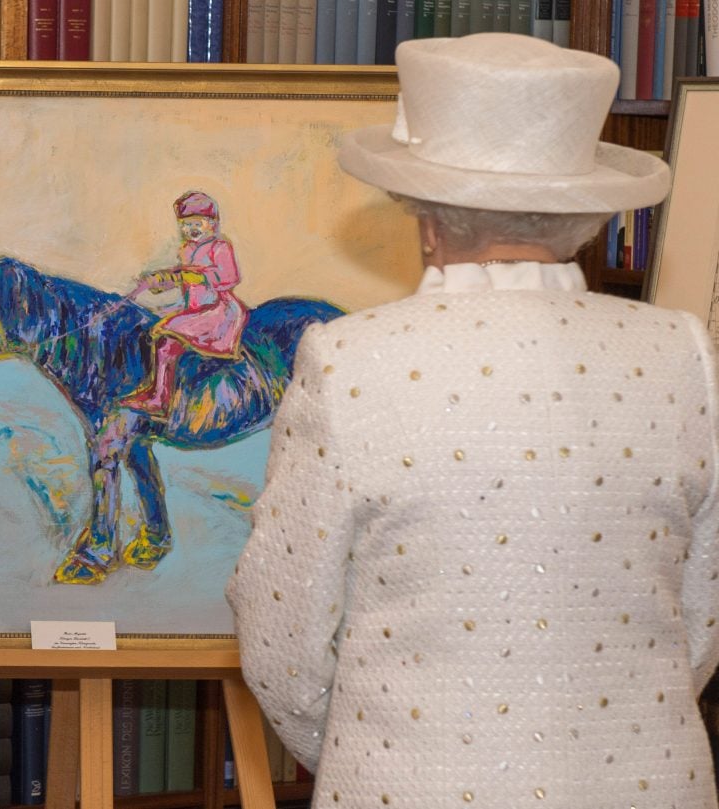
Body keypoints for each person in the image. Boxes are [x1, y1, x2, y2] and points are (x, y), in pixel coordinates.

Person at [226, 33, 719, 808]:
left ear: (427, 220)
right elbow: (698, 622)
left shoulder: (347, 361)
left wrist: (375, 751)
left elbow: (283, 644)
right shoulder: (684, 352)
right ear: (586, 214)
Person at [120, 191, 249, 418]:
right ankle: (155, 390)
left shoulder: (219, 247)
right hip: (196, 310)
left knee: (167, 337)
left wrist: (188, 276)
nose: (191, 229)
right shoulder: (187, 250)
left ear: (212, 224)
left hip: (219, 311)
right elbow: (184, 279)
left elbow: (229, 277)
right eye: (186, 225)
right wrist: (160, 282)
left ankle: (161, 400)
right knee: (162, 341)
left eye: (197, 223)